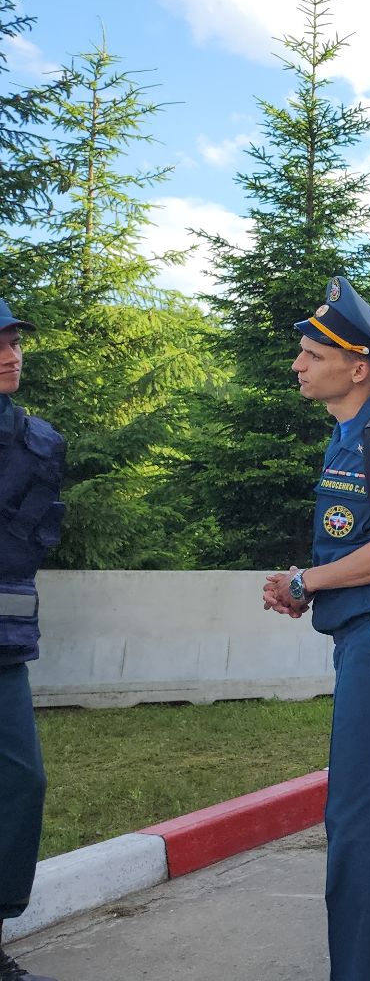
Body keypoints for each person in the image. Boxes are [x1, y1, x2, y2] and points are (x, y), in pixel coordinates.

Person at [260, 277, 370, 981]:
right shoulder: (351, 436)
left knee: (360, 821)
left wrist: (310, 582)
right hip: (360, 636)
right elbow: (357, 547)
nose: (298, 364)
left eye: (312, 353)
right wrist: (308, 586)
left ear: (357, 366)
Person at [0, 298, 65, 981]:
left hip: (4, 648)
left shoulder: (40, 441)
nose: (11, 353)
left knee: (21, 783)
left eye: (14, 340)